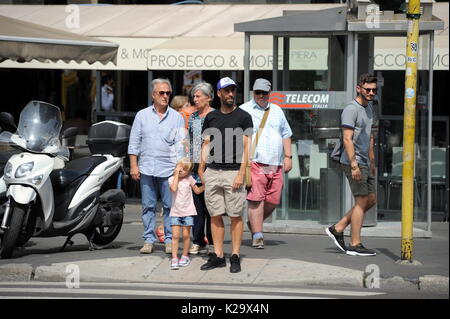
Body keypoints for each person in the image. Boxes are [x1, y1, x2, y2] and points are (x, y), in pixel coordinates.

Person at [198, 77, 253, 273]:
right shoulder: (211, 117)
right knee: (214, 215)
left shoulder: (244, 116)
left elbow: (247, 148)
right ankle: (219, 256)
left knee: (235, 215)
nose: (231, 94)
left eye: (233, 91)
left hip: (233, 172)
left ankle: (235, 255)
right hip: (212, 171)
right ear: (219, 94)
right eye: (227, 91)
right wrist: (201, 169)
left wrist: (241, 173)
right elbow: (206, 143)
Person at [128, 78, 186, 255]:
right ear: (153, 95)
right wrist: (133, 165)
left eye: (168, 93)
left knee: (170, 206)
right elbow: (134, 142)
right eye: (162, 93)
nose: (165, 96)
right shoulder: (142, 115)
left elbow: (181, 144)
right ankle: (148, 240)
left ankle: (169, 239)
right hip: (146, 167)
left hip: (169, 169)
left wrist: (180, 168)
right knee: (148, 205)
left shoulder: (176, 117)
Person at [326, 73, 378, 257]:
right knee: (362, 200)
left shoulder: (369, 107)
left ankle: (338, 228)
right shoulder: (351, 109)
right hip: (352, 161)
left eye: (374, 90)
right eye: (368, 89)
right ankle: (355, 243)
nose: (371, 93)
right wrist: (354, 165)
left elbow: (369, 136)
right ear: (359, 88)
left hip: (365, 161)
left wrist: (372, 161)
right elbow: (347, 139)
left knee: (370, 200)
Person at [239, 78, 293, 249]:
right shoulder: (244, 110)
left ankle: (255, 223)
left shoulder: (277, 110)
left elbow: (286, 133)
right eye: (257, 93)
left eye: (264, 93)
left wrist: (288, 157)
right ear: (253, 92)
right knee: (256, 200)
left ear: (270, 93)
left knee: (273, 200)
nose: (261, 96)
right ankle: (257, 235)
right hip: (255, 161)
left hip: (275, 163)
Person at [187, 82, 215, 255]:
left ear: (209, 98)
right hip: (195, 165)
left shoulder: (216, 116)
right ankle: (198, 240)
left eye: (198, 96)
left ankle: (213, 242)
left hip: (212, 165)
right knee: (196, 207)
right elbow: (189, 140)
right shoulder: (193, 117)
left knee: (212, 207)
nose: (195, 99)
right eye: (194, 96)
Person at [169, 158, 205, 270]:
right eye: (179, 168)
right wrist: (175, 175)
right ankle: (174, 257)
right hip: (175, 212)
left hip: (188, 212)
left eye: (183, 169)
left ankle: (185, 255)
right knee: (175, 236)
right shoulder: (171, 179)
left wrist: (207, 185)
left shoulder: (190, 179)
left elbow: (197, 191)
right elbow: (173, 189)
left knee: (185, 235)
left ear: (188, 171)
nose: (180, 171)